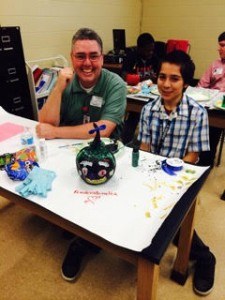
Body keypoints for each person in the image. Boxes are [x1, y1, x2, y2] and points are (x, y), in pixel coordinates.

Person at [36, 28, 127, 281]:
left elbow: (104, 128)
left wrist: (56, 132)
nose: (87, 63)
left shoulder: (115, 84)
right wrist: (57, 89)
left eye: (93, 56)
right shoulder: (66, 81)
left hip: (106, 156)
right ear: (71, 57)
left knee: (96, 202)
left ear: (102, 57)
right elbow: (45, 124)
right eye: (80, 56)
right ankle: (71, 225)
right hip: (68, 151)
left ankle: (82, 243)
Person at [137, 50, 216, 296]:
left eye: (174, 78)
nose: (166, 84)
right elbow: (144, 149)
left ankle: (205, 258)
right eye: (162, 77)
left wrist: (165, 183)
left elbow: (193, 158)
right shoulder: (148, 110)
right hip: (152, 175)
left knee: (174, 225)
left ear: (186, 83)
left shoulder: (197, 113)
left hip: (180, 178)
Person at [121, 33, 160, 145]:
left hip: (152, 93)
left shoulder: (154, 58)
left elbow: (159, 75)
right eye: (148, 50)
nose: (150, 53)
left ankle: (151, 143)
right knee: (134, 114)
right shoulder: (131, 57)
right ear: (139, 48)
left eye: (152, 50)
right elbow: (125, 77)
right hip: (135, 94)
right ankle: (126, 141)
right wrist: (146, 78)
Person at [197, 31, 225, 167]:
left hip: (222, 110)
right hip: (211, 107)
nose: (219, 49)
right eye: (219, 45)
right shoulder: (215, 64)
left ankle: (206, 162)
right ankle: (199, 158)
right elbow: (201, 85)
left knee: (213, 129)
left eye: (223, 45)